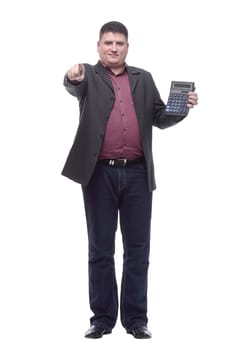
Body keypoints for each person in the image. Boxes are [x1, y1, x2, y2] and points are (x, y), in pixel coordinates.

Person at [62, 21, 198, 339]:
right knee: (100, 249)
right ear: (98, 46)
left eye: (119, 43)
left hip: (137, 173)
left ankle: (136, 320)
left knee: (138, 248)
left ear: (127, 46)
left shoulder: (143, 78)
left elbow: (160, 118)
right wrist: (71, 77)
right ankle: (102, 319)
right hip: (99, 173)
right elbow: (73, 86)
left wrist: (182, 109)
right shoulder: (89, 77)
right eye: (108, 42)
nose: (113, 48)